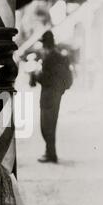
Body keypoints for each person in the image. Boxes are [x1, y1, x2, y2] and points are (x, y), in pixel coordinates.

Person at [31, 30, 71, 163]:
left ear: (46, 44)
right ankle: (50, 152)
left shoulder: (49, 58)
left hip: (48, 95)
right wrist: (61, 90)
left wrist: (35, 74)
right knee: (50, 125)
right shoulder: (60, 56)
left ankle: (51, 154)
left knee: (46, 125)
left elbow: (46, 78)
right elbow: (67, 78)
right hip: (56, 94)